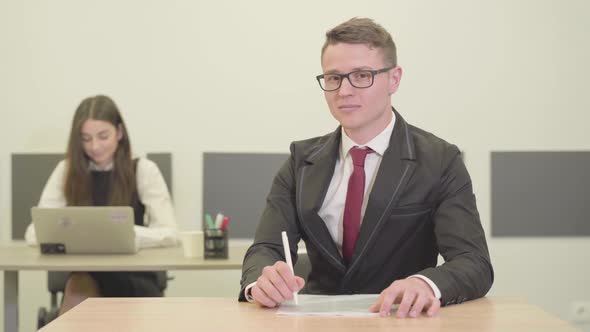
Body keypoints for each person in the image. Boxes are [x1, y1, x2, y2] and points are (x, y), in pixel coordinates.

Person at [239, 18, 493, 318]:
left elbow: (472, 261)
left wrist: (425, 283)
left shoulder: (439, 160)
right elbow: (265, 248)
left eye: (362, 75)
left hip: (401, 319)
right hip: (318, 322)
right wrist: (261, 280)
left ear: (394, 79)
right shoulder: (300, 161)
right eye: (333, 78)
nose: (344, 91)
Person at [24, 95, 178, 314]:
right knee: (79, 289)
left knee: (80, 295)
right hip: (85, 273)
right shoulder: (66, 170)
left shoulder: (144, 170)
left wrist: (126, 234)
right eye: (85, 138)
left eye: (103, 136)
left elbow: (170, 233)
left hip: (133, 275)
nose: (94, 146)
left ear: (120, 132)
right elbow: (34, 232)